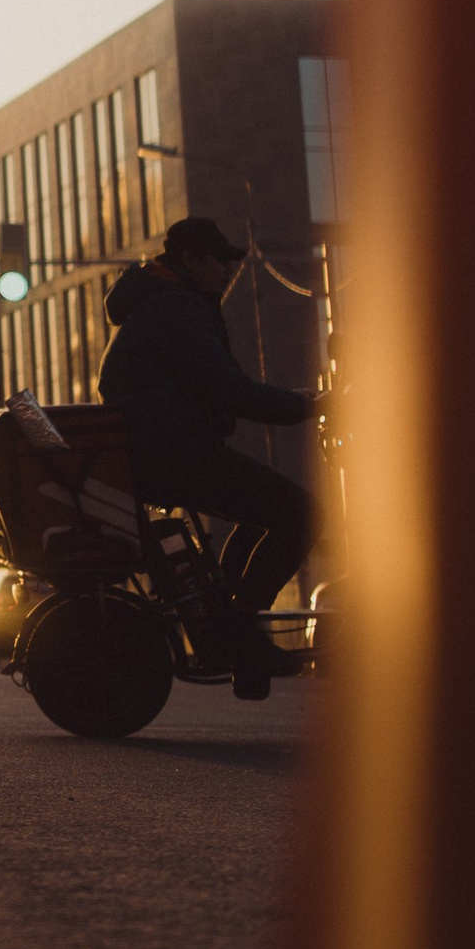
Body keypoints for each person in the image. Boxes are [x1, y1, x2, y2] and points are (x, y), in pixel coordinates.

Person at [98, 214, 315, 699]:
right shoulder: (178, 307)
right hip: (174, 454)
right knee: (300, 512)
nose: (226, 273)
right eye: (220, 262)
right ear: (191, 259)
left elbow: (219, 384)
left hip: (160, 452)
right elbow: (226, 387)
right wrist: (302, 406)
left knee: (263, 512)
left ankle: (230, 620)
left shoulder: (156, 303)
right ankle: (239, 629)